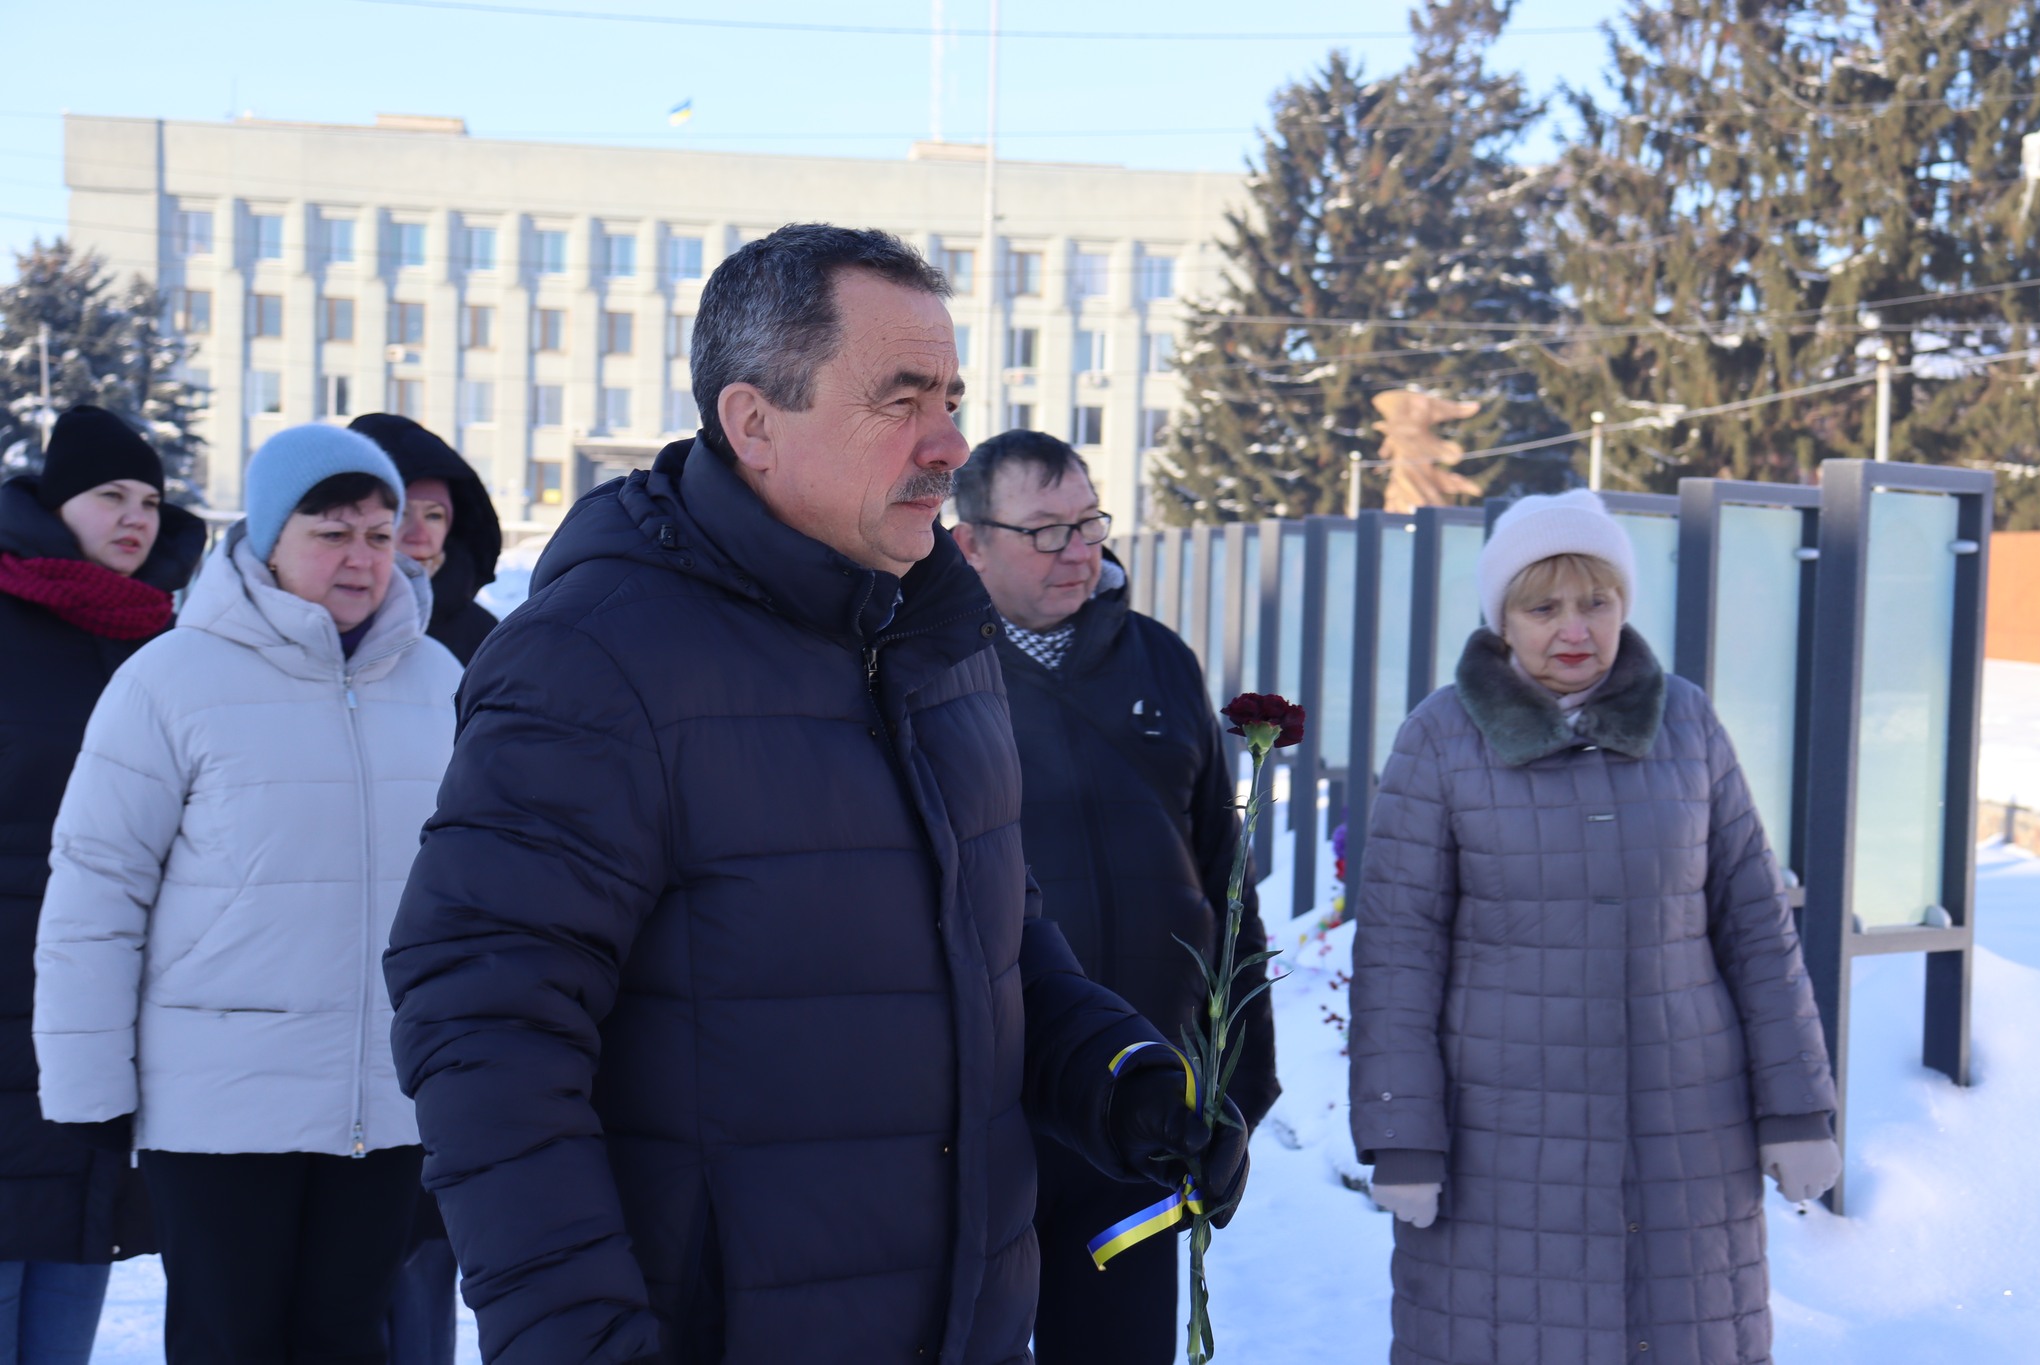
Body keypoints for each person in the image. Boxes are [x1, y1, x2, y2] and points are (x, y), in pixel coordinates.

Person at [384, 223, 1251, 1365]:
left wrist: (1115, 1073)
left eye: (951, 397)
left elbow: (990, 936)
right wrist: (575, 1340)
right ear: (754, 423)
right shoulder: (594, 660)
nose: (950, 443)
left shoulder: (934, 637)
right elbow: (487, 1031)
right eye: (901, 400)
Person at [1349, 488, 1841, 1364]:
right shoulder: (1442, 738)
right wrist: (1402, 1133)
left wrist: (1798, 1106)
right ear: (1503, 618)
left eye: (1597, 602)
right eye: (1544, 608)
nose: (1575, 629)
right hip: (1500, 1144)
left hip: (1686, 1137)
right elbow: (1398, 952)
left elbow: (1756, 927)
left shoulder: (1688, 722)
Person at [33, 425, 464, 1365]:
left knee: (351, 1339)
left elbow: (476, 890)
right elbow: (97, 892)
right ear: (267, 539)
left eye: (379, 535)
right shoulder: (172, 678)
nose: (361, 558)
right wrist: (89, 1085)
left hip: (386, 1099)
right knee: (228, 1342)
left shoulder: (439, 682)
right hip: (219, 1105)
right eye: (331, 532)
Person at [950, 430, 1280, 1365]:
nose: (1079, 551)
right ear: (971, 543)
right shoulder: (935, 670)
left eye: (1089, 522)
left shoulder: (1160, 661)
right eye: (1045, 531)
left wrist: (1241, 1076)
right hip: (990, 1111)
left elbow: (1223, 876)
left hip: (1139, 1106)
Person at [0, 406, 203, 1364]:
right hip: (11, 984)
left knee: (77, 1250)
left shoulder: (164, 640)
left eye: (151, 502)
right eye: (110, 495)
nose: (136, 518)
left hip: (106, 1002)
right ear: (55, 506)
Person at [349, 413, 503, 1365]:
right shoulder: (320, 645)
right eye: (399, 509)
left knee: (429, 1258)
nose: (417, 533)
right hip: (334, 996)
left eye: (438, 514)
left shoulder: (490, 644)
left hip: (450, 979)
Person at [350, 412, 502, 665]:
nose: (419, 536)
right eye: (401, 514)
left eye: (434, 516)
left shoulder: (482, 635)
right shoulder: (323, 624)